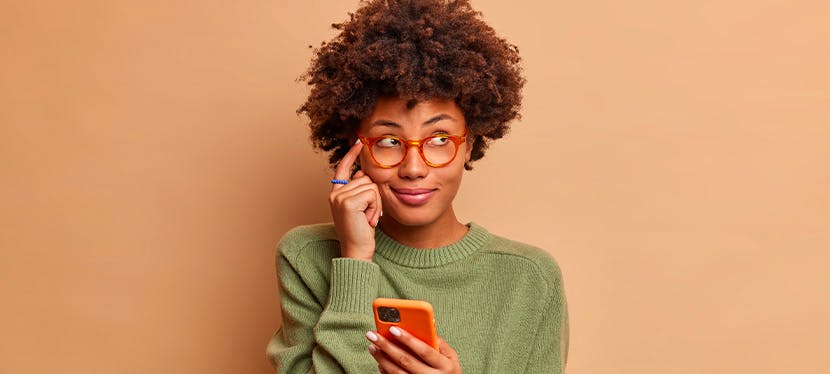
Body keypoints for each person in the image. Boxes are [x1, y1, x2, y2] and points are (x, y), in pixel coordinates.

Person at [266, 0, 568, 372]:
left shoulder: (529, 278)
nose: (413, 167)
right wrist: (354, 260)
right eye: (389, 141)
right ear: (356, 148)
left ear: (469, 143)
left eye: (439, 139)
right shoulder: (305, 256)